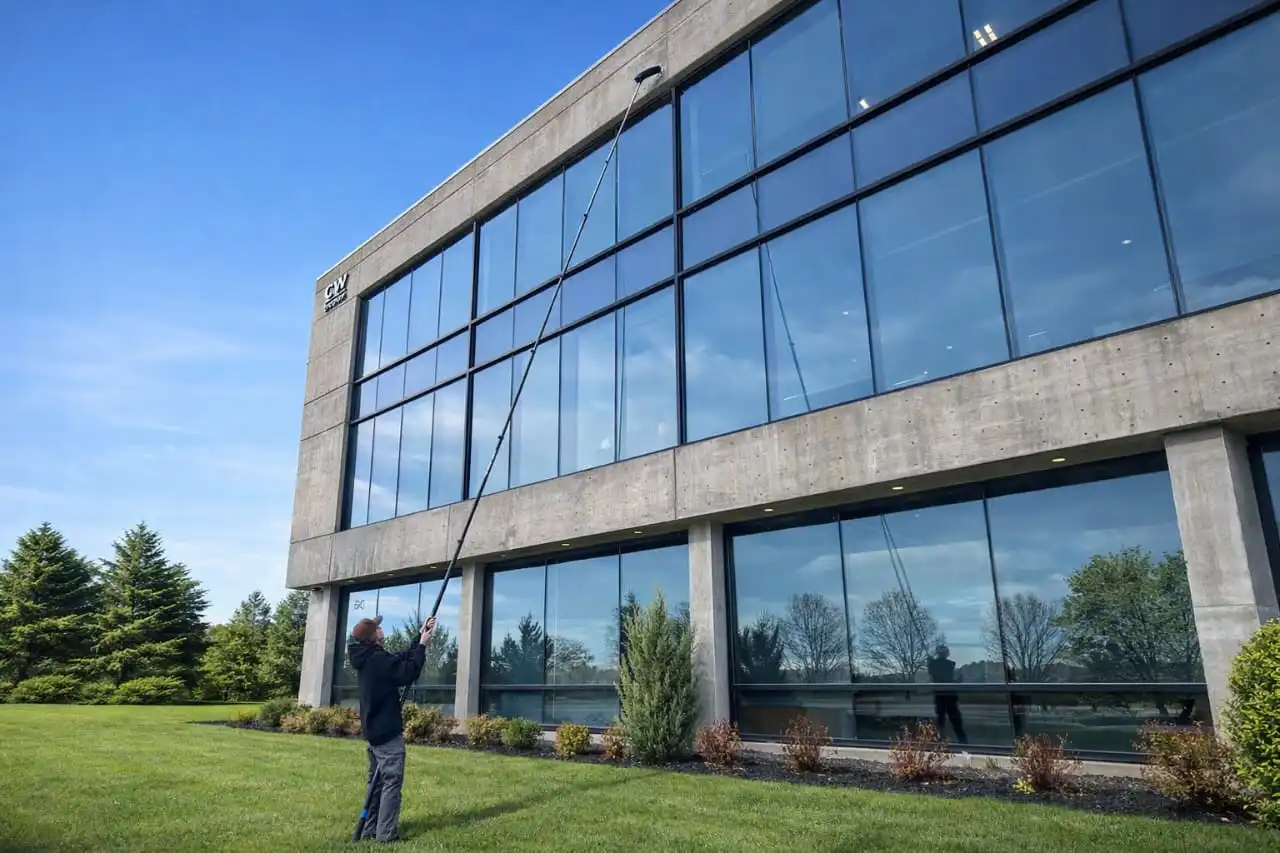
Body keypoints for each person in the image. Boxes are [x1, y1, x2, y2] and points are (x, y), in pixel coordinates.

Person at [347, 613, 436, 844]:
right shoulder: (376, 659)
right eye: (377, 628)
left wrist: (419, 637)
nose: (381, 629)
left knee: (376, 782)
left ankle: (369, 828)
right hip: (385, 732)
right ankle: (385, 835)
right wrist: (424, 647)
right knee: (391, 781)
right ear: (374, 637)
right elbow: (407, 672)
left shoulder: (369, 656)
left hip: (374, 730)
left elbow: (400, 659)